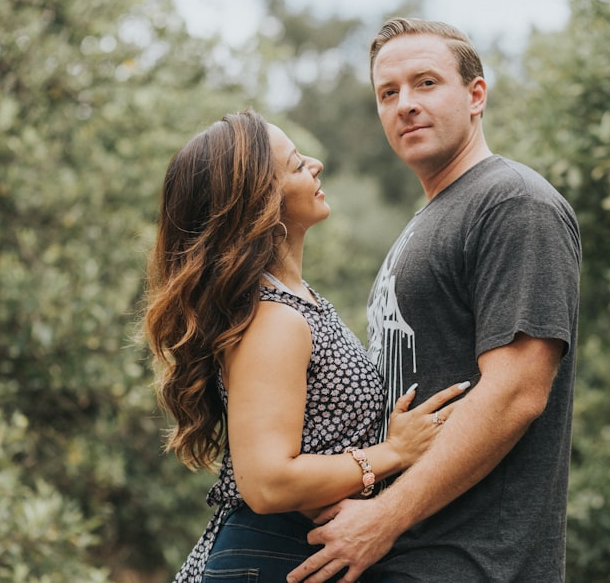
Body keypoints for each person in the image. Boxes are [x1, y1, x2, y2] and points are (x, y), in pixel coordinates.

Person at [287, 18, 582, 583]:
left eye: (426, 83)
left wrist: (384, 518)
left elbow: (516, 392)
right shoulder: (432, 218)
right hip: (406, 558)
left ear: (475, 95)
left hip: (471, 563)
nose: (405, 105)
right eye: (388, 93)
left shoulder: (513, 203)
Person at [144, 109, 469, 582]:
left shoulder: (295, 302)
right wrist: (394, 453)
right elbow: (267, 483)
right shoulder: (274, 319)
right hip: (271, 556)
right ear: (261, 205)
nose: (315, 164)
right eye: (297, 165)